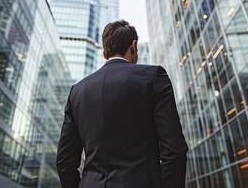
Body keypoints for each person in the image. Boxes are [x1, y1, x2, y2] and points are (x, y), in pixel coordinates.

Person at [56, 20, 188, 188]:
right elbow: (174, 151)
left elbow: (64, 161)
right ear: (133, 46)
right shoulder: (153, 77)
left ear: (105, 53)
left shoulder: (77, 92)